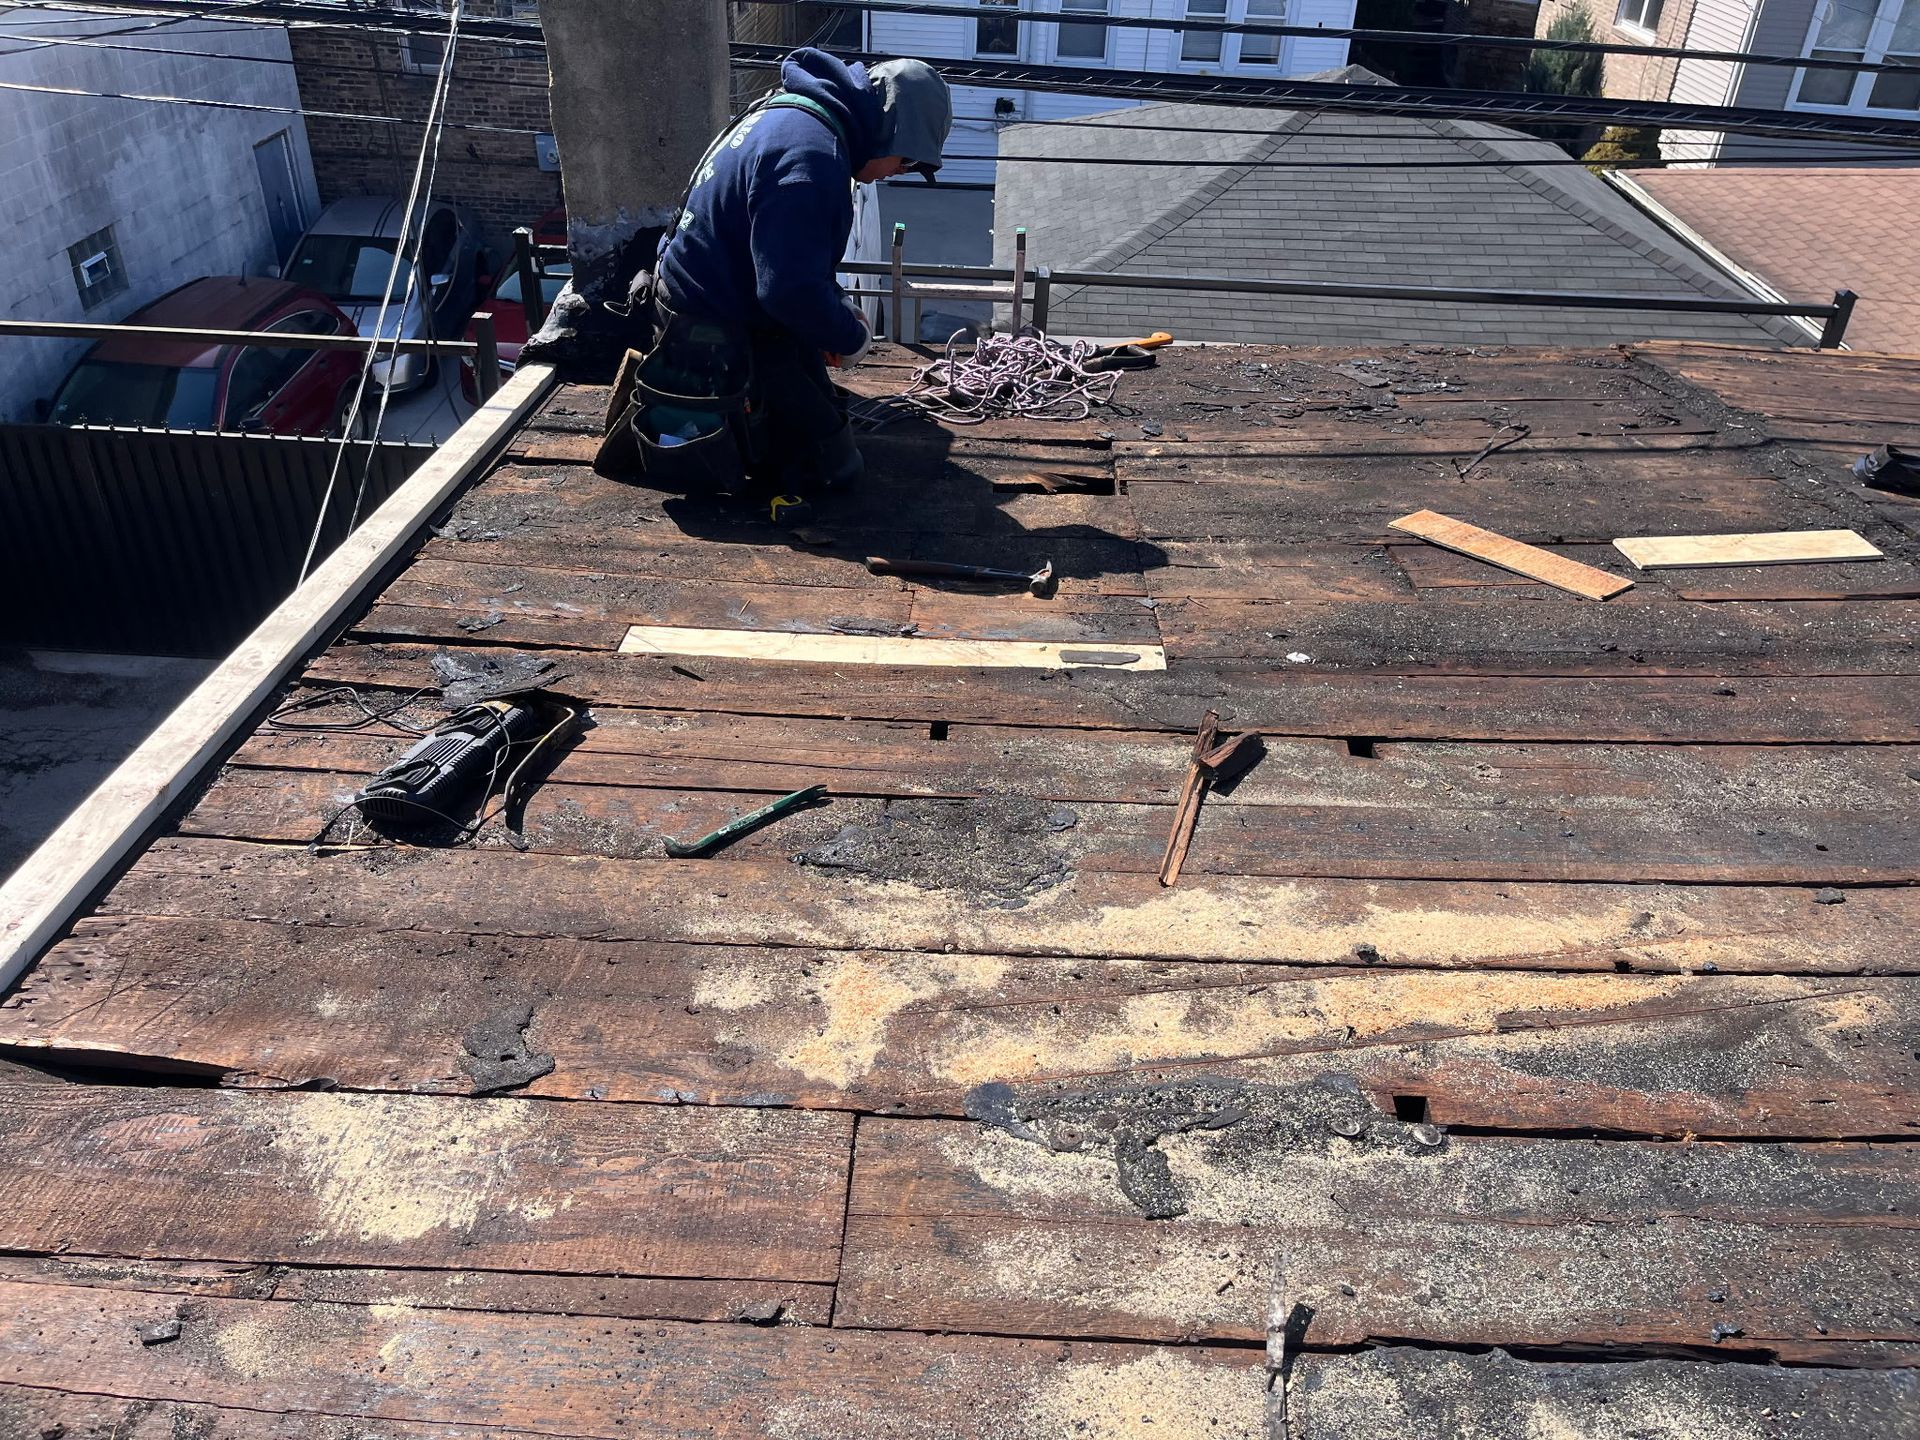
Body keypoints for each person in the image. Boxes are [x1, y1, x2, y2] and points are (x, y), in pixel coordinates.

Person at [636, 48, 951, 514]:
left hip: (705, 299)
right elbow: (787, 290)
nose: (892, 175)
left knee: (822, 409)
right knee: (834, 470)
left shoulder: (790, 112)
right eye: (904, 164)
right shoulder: (810, 157)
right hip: (710, 332)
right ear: (889, 136)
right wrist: (849, 336)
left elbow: (785, 258)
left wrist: (834, 306)